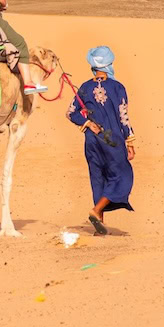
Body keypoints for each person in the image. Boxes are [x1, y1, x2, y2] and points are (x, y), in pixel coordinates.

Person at [68, 45, 134, 235]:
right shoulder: (118, 87)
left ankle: (100, 225)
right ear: (109, 64)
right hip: (112, 139)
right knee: (123, 176)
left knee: (98, 178)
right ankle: (96, 211)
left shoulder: (85, 87)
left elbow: (70, 113)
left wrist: (87, 123)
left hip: (92, 141)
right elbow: (123, 116)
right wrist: (130, 141)